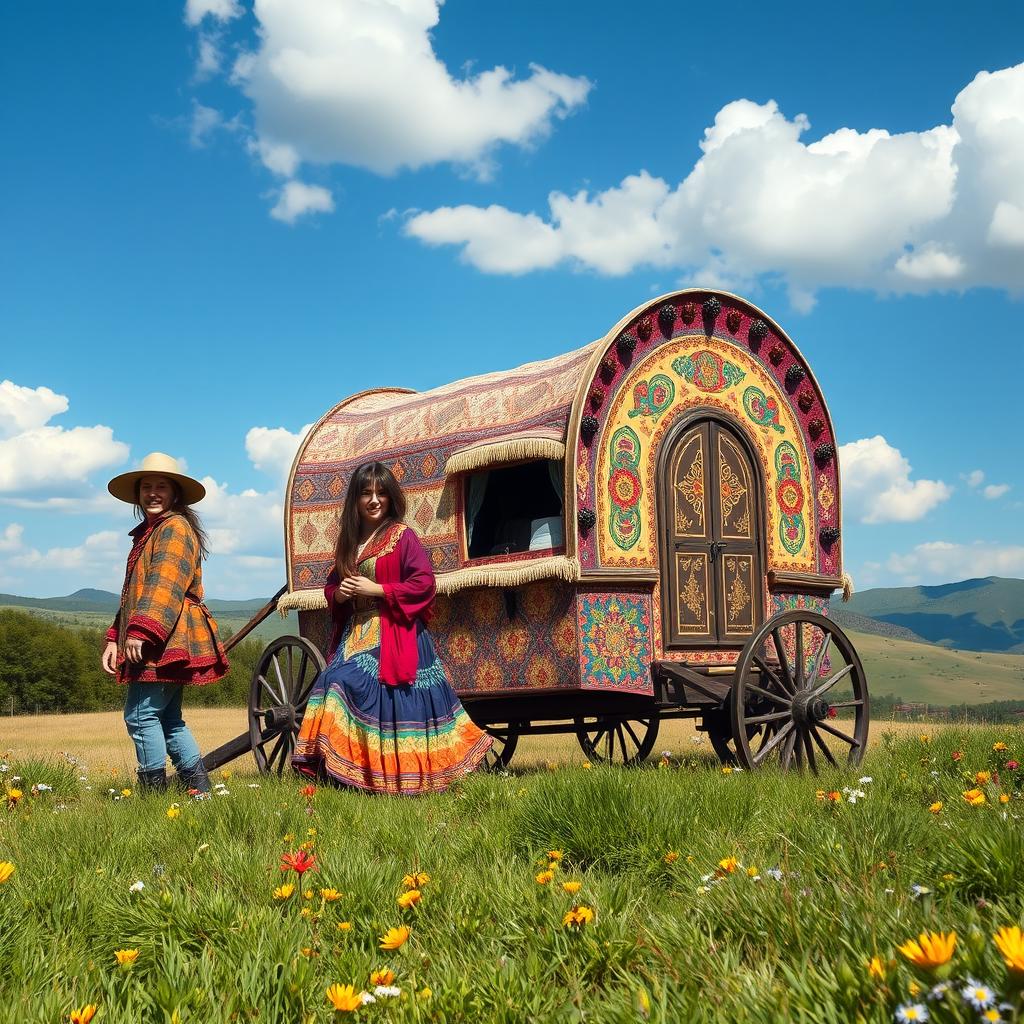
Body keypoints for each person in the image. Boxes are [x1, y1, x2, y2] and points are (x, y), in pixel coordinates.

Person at [293, 461, 493, 794]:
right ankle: (349, 771)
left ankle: (386, 773)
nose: (374, 500)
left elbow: (424, 583)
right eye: (366, 493)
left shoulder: (402, 537)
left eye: (381, 493)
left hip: (394, 630)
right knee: (331, 679)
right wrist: (337, 593)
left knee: (346, 682)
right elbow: (333, 584)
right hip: (355, 632)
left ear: (391, 498)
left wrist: (380, 590)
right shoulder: (350, 542)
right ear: (355, 499)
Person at [102, 452, 228, 793]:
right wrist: (116, 636)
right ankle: (199, 791)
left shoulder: (173, 529)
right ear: (138, 494)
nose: (153, 493)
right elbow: (135, 591)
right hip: (167, 634)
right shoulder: (152, 532)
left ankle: (152, 795)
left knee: (141, 716)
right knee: (169, 720)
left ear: (174, 494)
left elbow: (165, 583)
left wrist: (142, 630)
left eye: (161, 486)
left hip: (164, 637)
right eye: (146, 487)